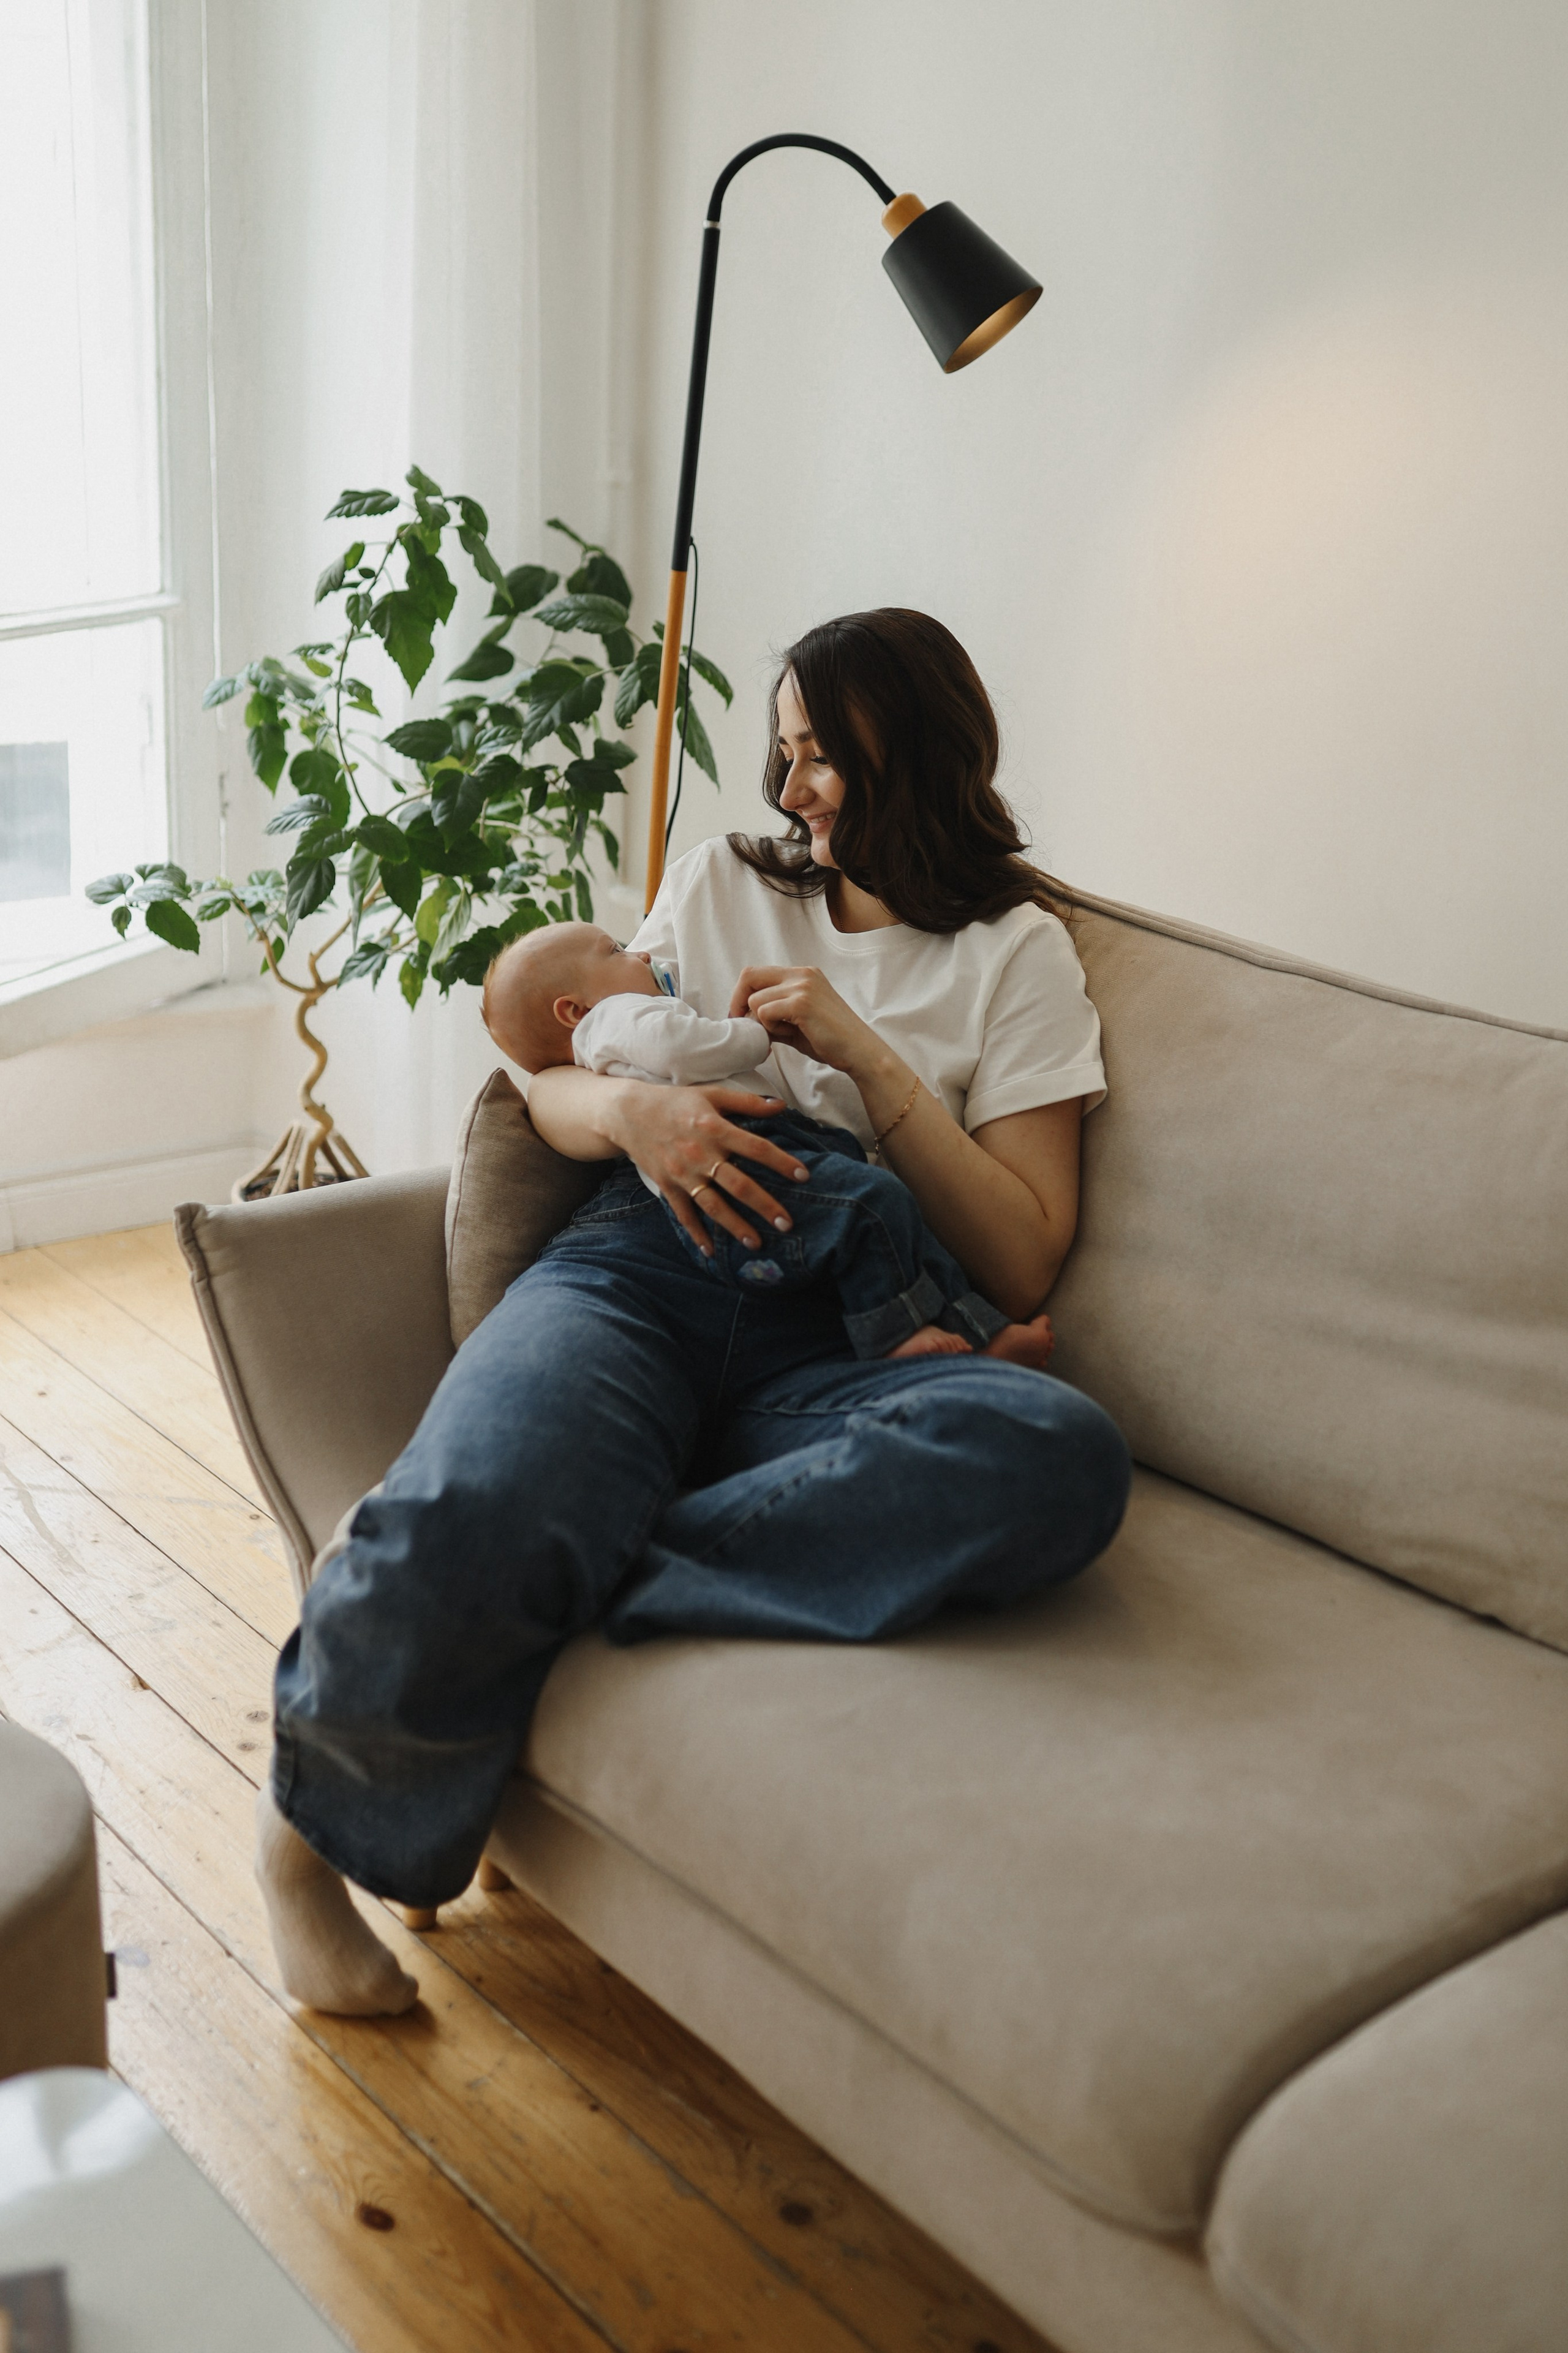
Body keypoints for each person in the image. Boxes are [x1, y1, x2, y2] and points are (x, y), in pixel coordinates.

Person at [254, 606, 1132, 2017]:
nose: (789, 788)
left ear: (914, 750)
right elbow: (553, 1073)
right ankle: (302, 1849)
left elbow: (1022, 1258)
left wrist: (859, 1052)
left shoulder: (1014, 955)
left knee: (1054, 1451)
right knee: (491, 1490)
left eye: (819, 755)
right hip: (639, 1276)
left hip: (840, 1343)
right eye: (782, 752)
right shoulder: (725, 877)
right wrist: (634, 1116)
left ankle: (516, 1545)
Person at [481, 918, 1057, 1364]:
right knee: (875, 1203)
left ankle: (976, 1332)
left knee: (889, 1210)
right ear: (573, 1010)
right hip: (737, 1169)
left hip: (769, 1149)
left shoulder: (618, 1020)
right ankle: (895, 1338)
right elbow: (680, 1047)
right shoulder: (614, 1018)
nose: (643, 954)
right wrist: (753, 1034)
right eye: (616, 950)